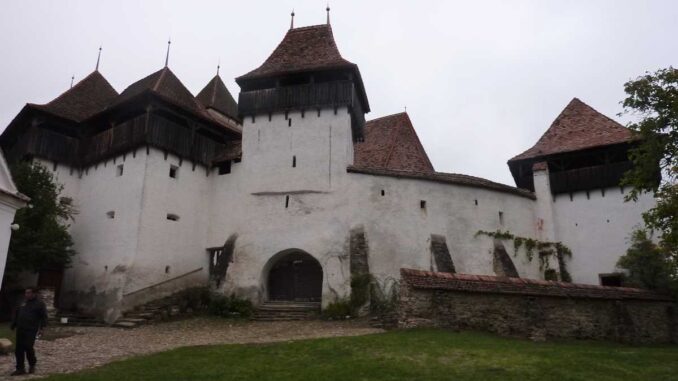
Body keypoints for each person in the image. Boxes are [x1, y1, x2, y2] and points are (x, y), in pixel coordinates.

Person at [10, 287, 48, 376]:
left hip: (31, 329)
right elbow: (17, 313)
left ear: (34, 293)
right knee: (19, 349)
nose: (26, 294)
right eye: (26, 293)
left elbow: (44, 317)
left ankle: (32, 364)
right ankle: (20, 368)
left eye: (29, 293)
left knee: (28, 347)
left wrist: (42, 328)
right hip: (21, 329)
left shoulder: (40, 304)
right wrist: (13, 324)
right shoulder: (23, 302)